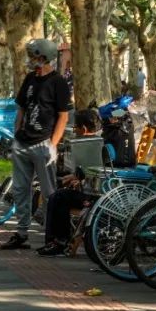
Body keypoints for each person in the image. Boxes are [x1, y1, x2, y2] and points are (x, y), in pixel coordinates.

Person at [0, 38, 72, 251]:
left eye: (34, 56)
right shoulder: (30, 78)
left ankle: (54, 238)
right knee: (21, 190)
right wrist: (16, 133)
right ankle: (21, 234)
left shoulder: (58, 82)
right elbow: (22, 107)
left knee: (50, 194)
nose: (30, 60)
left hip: (43, 144)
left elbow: (63, 117)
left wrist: (53, 145)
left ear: (43, 57)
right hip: (23, 142)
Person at [37, 108, 100, 256]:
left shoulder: (88, 145)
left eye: (75, 127)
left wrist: (77, 178)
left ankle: (59, 241)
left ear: (83, 129)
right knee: (57, 195)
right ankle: (55, 241)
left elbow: (90, 171)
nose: (74, 130)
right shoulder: (97, 142)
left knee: (59, 197)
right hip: (88, 189)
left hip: (92, 195)